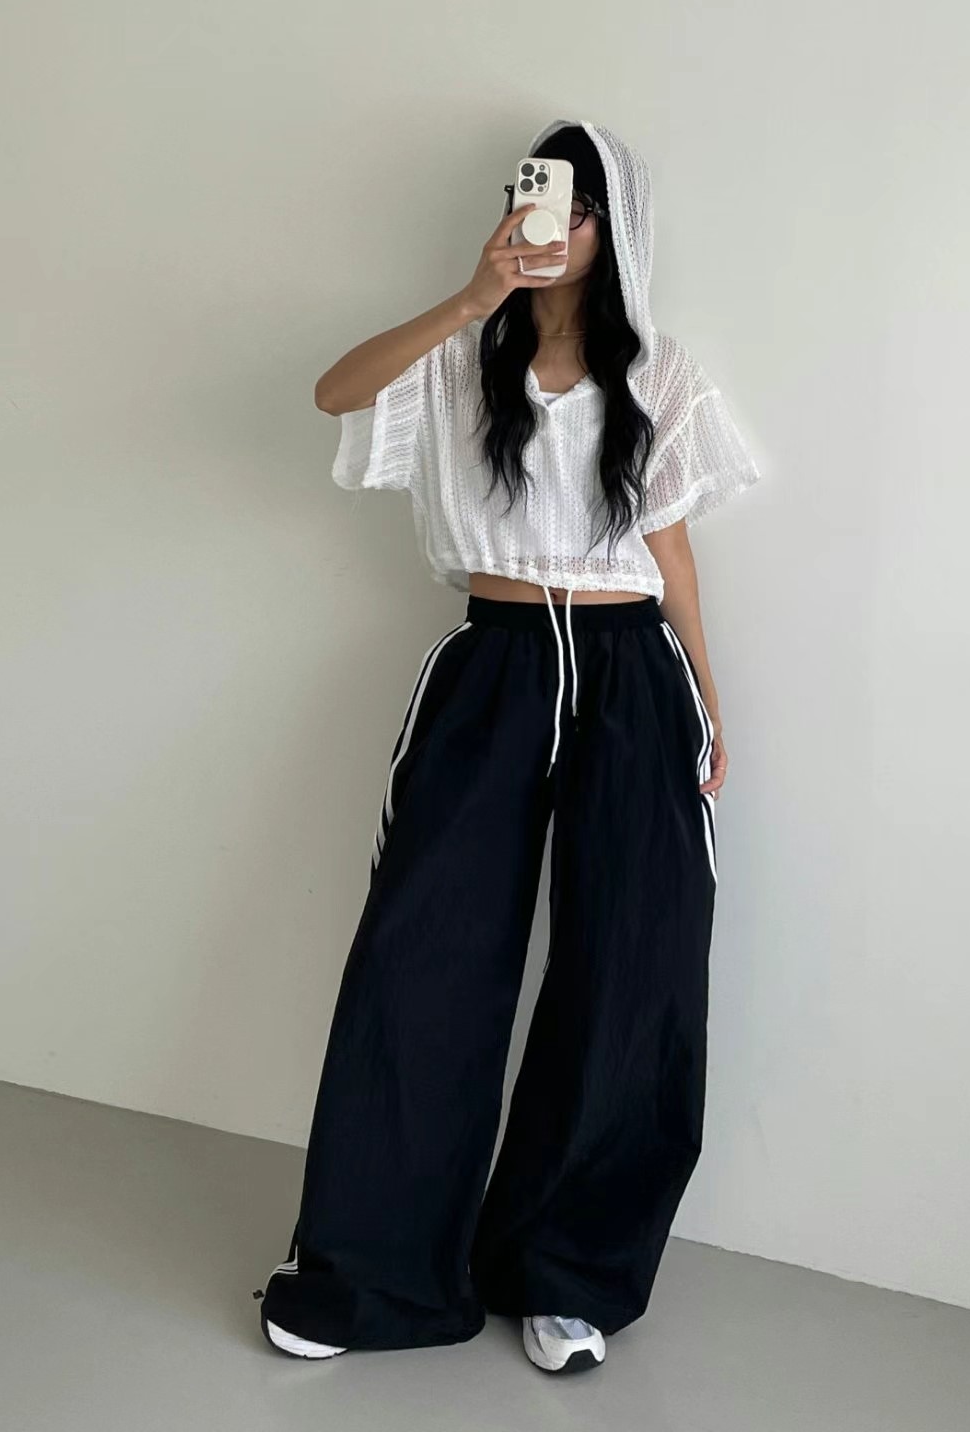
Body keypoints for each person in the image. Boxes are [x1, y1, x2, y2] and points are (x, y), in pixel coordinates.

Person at [255, 117, 762, 1374]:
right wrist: (473, 296)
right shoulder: (460, 359)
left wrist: (710, 695)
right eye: (534, 196)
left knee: (633, 968)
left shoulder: (660, 376)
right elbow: (334, 392)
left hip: (633, 673)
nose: (551, 224)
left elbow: (673, 551)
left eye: (576, 208)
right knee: (422, 955)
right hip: (494, 665)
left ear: (612, 229)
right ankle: (371, 1275)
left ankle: (566, 1270)